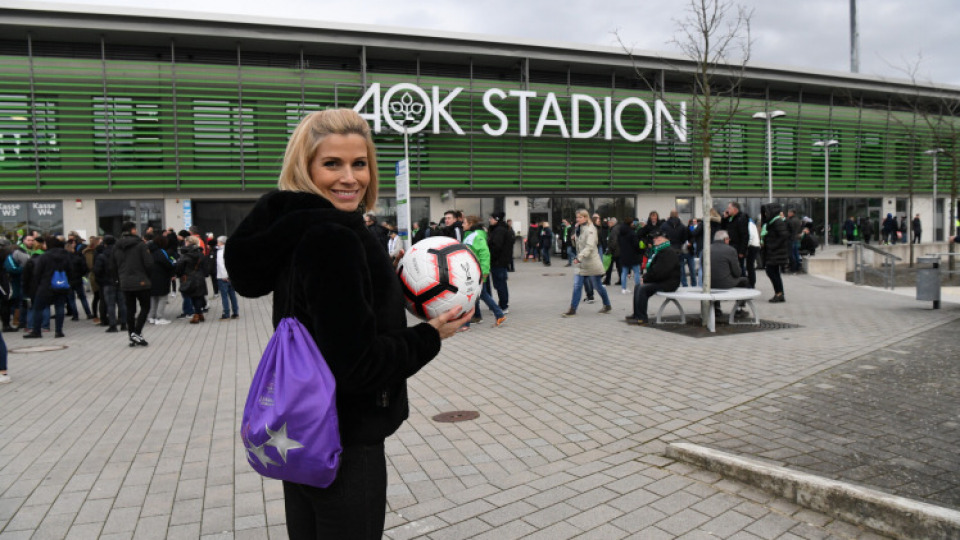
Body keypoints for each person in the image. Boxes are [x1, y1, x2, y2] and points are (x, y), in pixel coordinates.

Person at [225, 108, 470, 539]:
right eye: (332, 164)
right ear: (305, 167)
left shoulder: (298, 228)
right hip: (344, 442)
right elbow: (358, 367)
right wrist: (431, 335)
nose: (350, 178)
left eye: (360, 163)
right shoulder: (334, 238)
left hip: (301, 430)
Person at [561, 209, 613, 317]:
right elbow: (578, 245)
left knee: (597, 285)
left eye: (580, 217)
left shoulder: (591, 229)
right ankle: (572, 309)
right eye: (577, 217)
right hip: (581, 263)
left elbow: (590, 247)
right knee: (577, 285)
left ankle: (607, 305)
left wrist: (579, 257)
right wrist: (574, 240)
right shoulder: (578, 228)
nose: (578, 219)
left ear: (586, 217)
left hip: (591, 263)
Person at [626, 230, 680, 326]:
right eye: (654, 238)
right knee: (638, 286)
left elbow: (661, 272)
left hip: (668, 283)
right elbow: (656, 271)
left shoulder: (668, 252)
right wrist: (646, 278)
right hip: (662, 280)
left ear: (664, 240)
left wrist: (646, 279)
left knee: (643, 288)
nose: (654, 240)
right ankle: (636, 314)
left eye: (657, 238)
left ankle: (642, 318)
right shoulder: (660, 250)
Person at [461, 215, 506, 330]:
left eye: (464, 222)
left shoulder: (476, 236)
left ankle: (466, 324)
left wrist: (484, 272)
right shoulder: (470, 235)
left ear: (470, 223)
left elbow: (485, 253)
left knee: (471, 296)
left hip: (476, 272)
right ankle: (499, 314)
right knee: (480, 295)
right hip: (472, 271)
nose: (462, 224)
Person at [24, 235, 73, 339]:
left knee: (38, 308)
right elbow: (71, 271)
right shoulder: (66, 256)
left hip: (46, 286)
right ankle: (59, 331)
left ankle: (37, 331)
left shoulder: (45, 256)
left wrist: (37, 285)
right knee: (59, 307)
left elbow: (37, 273)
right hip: (61, 285)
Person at [113, 221, 153, 346]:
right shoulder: (140, 245)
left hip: (125, 282)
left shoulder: (117, 246)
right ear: (133, 230)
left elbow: (113, 265)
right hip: (141, 281)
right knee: (145, 307)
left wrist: (119, 279)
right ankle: (137, 333)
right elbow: (149, 263)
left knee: (130, 309)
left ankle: (132, 335)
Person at [710, 230, 750, 317]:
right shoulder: (730, 250)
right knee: (745, 281)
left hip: (709, 283)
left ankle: (716, 308)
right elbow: (737, 272)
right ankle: (739, 309)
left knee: (716, 278)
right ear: (725, 239)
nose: (729, 241)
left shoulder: (707, 248)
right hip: (725, 283)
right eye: (728, 239)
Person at [760, 203, 789, 303]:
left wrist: (772, 246)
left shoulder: (777, 221)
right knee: (774, 272)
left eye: (766, 211)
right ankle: (779, 293)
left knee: (771, 271)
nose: (765, 213)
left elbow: (783, 235)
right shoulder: (772, 222)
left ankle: (779, 293)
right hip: (773, 252)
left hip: (775, 252)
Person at [177, 235, 207, 324]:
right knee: (198, 295)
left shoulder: (185, 255)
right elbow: (205, 266)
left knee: (193, 296)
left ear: (188, 242)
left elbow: (179, 267)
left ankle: (196, 315)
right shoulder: (200, 253)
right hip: (200, 277)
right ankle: (200, 313)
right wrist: (204, 274)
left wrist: (180, 274)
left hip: (189, 277)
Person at [486, 212, 512, 313]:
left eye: (491, 218)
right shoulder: (499, 229)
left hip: (498, 262)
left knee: (500, 284)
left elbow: (496, 247)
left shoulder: (499, 230)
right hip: (500, 262)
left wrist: (491, 258)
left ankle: (503, 306)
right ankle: (503, 304)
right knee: (500, 284)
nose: (489, 220)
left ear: (496, 219)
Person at [147, 234, 175, 325]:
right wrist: (172, 268)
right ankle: (159, 317)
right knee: (162, 298)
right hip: (161, 277)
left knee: (153, 298)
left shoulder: (149, 251)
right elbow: (167, 263)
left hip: (150, 277)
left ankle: (151, 317)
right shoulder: (161, 252)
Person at [215, 235, 239, 320]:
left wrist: (225, 276)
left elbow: (221, 265)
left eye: (218, 242)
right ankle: (235, 312)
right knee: (232, 294)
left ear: (221, 242)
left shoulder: (220, 252)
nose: (217, 243)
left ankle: (226, 313)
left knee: (224, 296)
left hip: (223, 277)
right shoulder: (230, 250)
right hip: (231, 276)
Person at [617, 219, 642, 294]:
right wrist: (639, 251)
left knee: (624, 272)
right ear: (630, 224)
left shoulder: (620, 233)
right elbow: (636, 244)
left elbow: (619, 242)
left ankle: (623, 288)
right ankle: (638, 288)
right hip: (633, 255)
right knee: (637, 272)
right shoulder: (632, 233)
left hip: (624, 254)